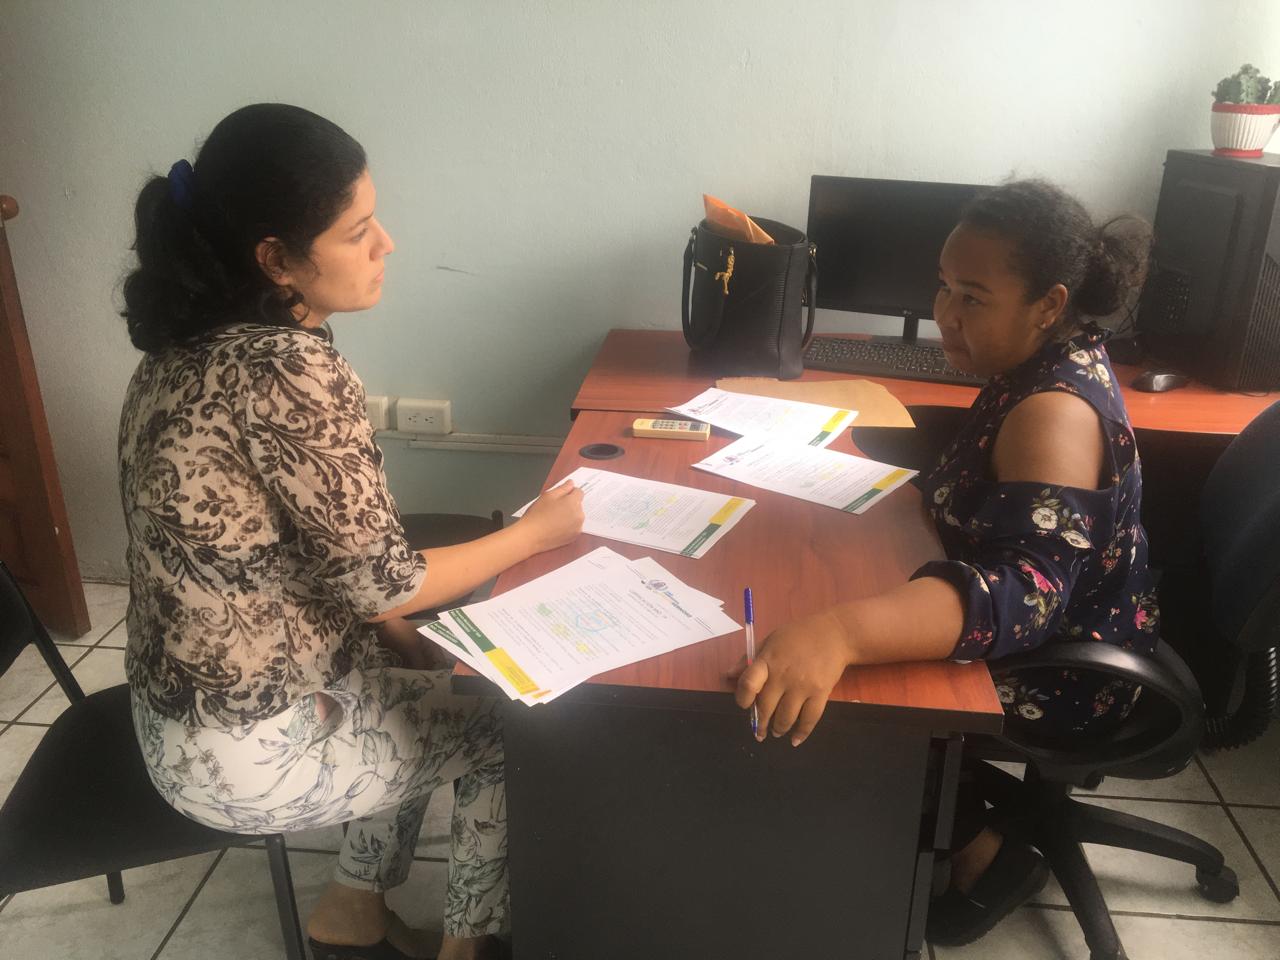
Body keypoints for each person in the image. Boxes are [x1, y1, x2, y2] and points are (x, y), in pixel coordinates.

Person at [118, 103, 584, 960]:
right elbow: (384, 581)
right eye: (358, 231)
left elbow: (319, 562)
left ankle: (350, 913)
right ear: (276, 260)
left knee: (411, 681)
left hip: (177, 722)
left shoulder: (181, 347)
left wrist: (400, 637)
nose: (386, 245)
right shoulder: (288, 367)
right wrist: (535, 531)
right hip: (248, 749)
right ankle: (469, 949)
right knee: (496, 731)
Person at [735, 179, 1157, 944]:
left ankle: (987, 858)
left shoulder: (1055, 413)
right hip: (1042, 627)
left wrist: (843, 633)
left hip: (1067, 669)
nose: (946, 314)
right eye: (944, 286)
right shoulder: (1032, 366)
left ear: (1049, 304)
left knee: (845, 684)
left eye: (973, 297)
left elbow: (1023, 596)